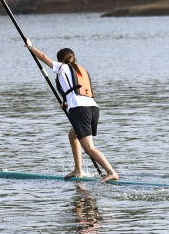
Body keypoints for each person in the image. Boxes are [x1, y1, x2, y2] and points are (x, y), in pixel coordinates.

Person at [25, 39, 118, 182]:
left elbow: (43, 57)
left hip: (81, 110)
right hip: (93, 108)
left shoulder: (62, 67)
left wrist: (31, 47)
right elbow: (76, 90)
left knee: (89, 148)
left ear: (60, 60)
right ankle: (78, 170)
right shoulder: (81, 70)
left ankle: (111, 172)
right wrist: (66, 102)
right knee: (72, 134)